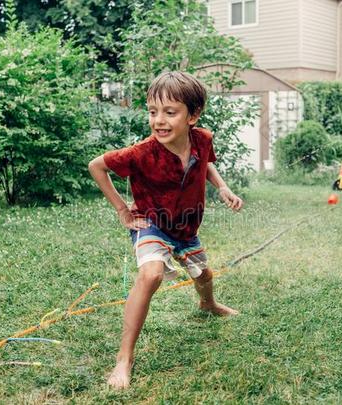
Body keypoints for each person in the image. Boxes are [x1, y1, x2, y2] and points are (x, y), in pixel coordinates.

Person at [88, 71, 243, 389]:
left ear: (193, 115)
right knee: (151, 274)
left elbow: (206, 163)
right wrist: (122, 209)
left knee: (204, 275)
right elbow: (96, 166)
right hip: (151, 223)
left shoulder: (202, 138)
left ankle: (208, 304)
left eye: (170, 112)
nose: (159, 120)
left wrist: (223, 187)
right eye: (152, 111)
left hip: (186, 226)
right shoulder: (142, 152)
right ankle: (124, 359)